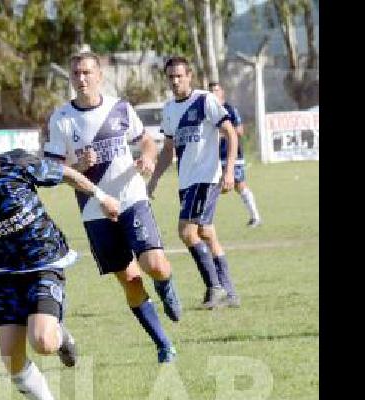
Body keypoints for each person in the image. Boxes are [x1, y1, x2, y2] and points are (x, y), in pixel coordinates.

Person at [0, 116, 119, 400]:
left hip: (44, 260)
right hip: (3, 271)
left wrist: (102, 198)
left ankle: (61, 335)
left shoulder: (18, 165)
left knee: (44, 342)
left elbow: (65, 174)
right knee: (11, 356)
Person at [43, 52, 180, 363]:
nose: (82, 78)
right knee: (130, 281)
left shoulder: (119, 108)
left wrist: (147, 156)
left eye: (87, 72)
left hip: (132, 197)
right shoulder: (62, 119)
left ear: (99, 75)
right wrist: (79, 164)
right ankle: (163, 344)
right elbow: (54, 171)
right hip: (95, 210)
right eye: (76, 73)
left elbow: (147, 141)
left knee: (155, 264)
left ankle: (166, 286)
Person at [146, 57, 240, 309]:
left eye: (179, 76)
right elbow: (168, 150)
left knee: (187, 232)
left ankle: (215, 287)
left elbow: (230, 133)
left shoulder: (204, 100)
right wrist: (153, 180)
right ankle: (229, 292)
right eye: (171, 77)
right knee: (206, 232)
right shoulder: (169, 109)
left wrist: (229, 170)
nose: (175, 81)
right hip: (186, 181)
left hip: (206, 177)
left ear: (190, 76)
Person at [209, 82, 261, 228]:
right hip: (214, 157)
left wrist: (224, 132)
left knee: (239, 185)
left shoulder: (230, 109)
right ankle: (204, 221)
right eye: (211, 90)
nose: (213, 93)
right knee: (210, 186)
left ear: (222, 92)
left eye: (216, 90)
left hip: (232, 156)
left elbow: (239, 131)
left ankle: (255, 217)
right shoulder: (208, 110)